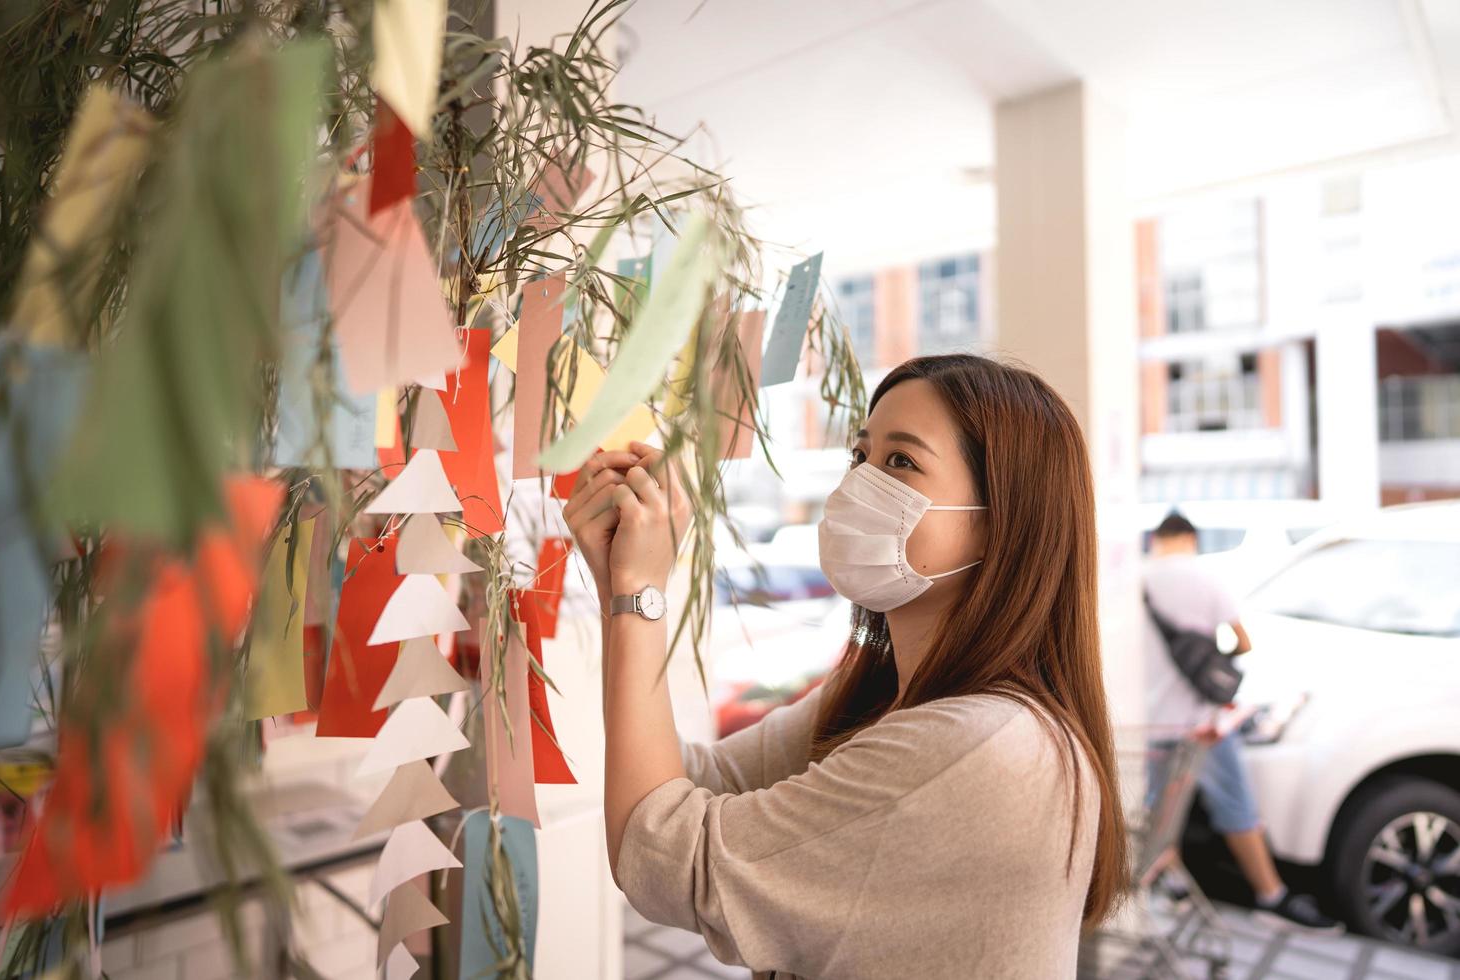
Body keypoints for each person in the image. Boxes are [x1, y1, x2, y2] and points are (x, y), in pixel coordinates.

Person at [563, 354, 1128, 979]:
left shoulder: (980, 744)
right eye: (861, 457)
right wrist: (622, 586)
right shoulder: (889, 693)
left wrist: (637, 597)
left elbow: (668, 857)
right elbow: (699, 780)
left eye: (901, 462)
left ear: (1004, 521)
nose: (858, 483)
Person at [1143, 511, 1340, 933]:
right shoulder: (1207, 578)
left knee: (1158, 813)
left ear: (1159, 539)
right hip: (1201, 722)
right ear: (1190, 539)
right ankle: (1271, 895)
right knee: (1235, 805)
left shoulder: (1137, 580)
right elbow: (1242, 641)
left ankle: (1163, 886)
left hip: (1149, 723)